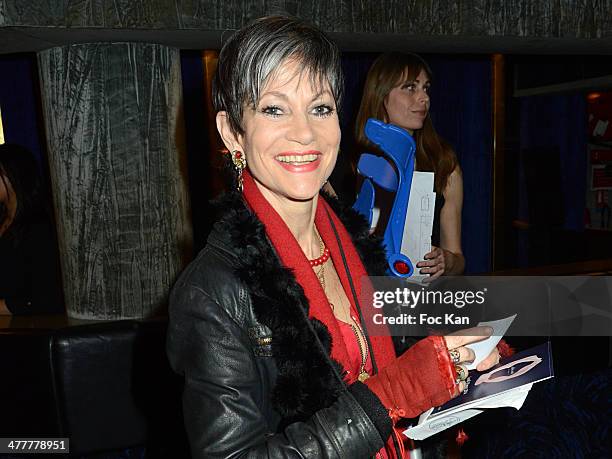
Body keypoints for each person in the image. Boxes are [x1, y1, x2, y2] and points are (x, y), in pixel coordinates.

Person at [166, 16, 499, 458]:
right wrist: (392, 395)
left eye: (320, 108)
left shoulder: (356, 241)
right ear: (232, 133)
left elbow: (394, 351)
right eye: (274, 108)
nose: (305, 133)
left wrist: (459, 358)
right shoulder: (212, 292)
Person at [355, 52, 465, 279]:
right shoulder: (348, 163)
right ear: (381, 95)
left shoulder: (444, 163)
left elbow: (458, 259)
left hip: (420, 301)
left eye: (426, 88)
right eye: (410, 88)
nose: (423, 98)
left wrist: (446, 260)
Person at [0, 143, 64, 315]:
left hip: (26, 328)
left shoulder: (38, 227)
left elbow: (45, 297)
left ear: (14, 176)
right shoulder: (3, 220)